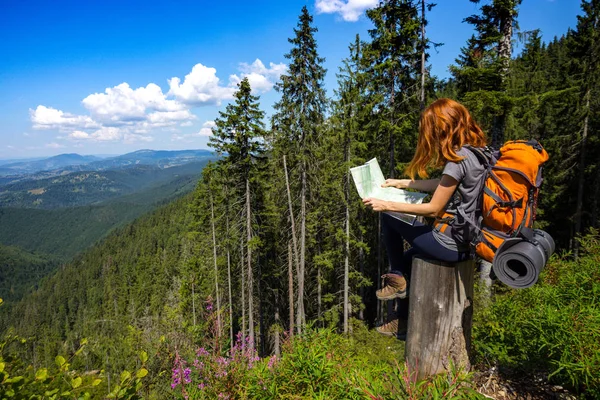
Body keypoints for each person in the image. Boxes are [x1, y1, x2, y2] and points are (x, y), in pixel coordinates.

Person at [362, 98, 487, 338]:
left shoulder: (457, 159)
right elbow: (442, 184)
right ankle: (403, 319)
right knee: (408, 261)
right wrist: (401, 183)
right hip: (469, 243)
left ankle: (396, 279)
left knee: (389, 217)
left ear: (441, 128)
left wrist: (386, 204)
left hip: (451, 245)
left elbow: (433, 208)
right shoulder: (474, 153)